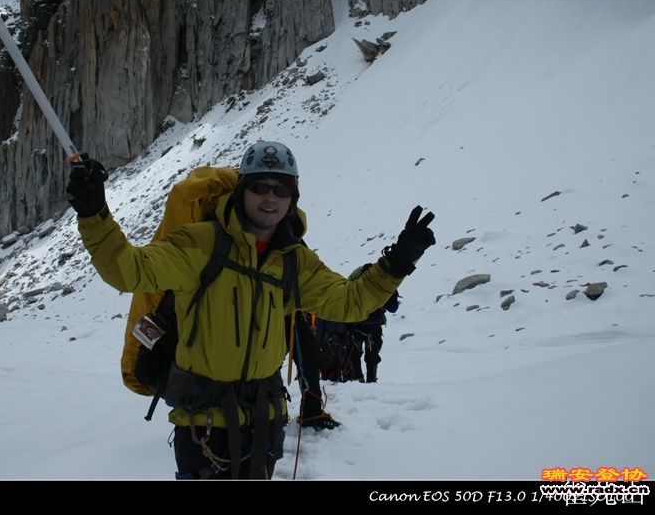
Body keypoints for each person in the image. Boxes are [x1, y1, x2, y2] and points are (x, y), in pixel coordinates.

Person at [67, 140, 435, 479]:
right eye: (259, 187)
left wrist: (398, 263)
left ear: (293, 198)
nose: (270, 198)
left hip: (265, 422)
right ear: (242, 191)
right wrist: (94, 213)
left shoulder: (294, 261)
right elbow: (127, 269)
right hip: (203, 427)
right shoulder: (200, 243)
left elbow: (350, 302)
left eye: (281, 190)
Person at [285, 311, 342, 430]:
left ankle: (311, 412)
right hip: (289, 314)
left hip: (291, 313)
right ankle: (311, 414)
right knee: (310, 359)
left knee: (310, 360)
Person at [347, 264, 400, 383]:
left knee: (355, 355)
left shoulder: (357, 280)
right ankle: (370, 382)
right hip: (372, 326)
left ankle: (358, 381)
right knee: (370, 357)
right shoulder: (384, 284)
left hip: (355, 324)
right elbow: (393, 308)